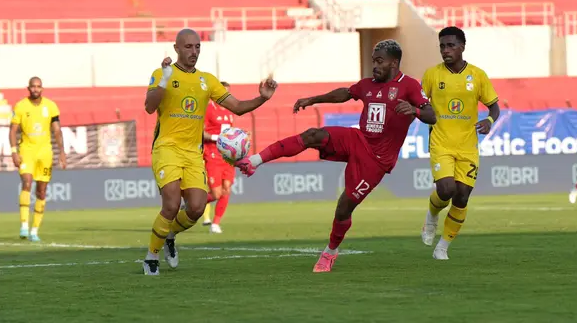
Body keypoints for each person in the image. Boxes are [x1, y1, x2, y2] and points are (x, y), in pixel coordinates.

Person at [235, 40, 436, 272]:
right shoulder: (367, 84)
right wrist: (313, 99)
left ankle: (330, 252)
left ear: (393, 62)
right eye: (373, 61)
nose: (375, 66)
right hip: (358, 140)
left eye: (379, 61)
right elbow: (345, 93)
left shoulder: (408, 85)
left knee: (344, 208)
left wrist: (415, 110)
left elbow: (432, 115)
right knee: (312, 135)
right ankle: (255, 161)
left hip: (378, 160)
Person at [143, 28, 277, 275]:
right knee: (171, 204)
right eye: (188, 47)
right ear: (176, 49)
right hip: (167, 149)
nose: (193, 52)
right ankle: (151, 255)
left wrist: (263, 99)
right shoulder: (162, 74)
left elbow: (236, 107)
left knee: (195, 208)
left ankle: (170, 234)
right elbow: (150, 107)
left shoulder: (207, 80)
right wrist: (163, 79)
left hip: (193, 154)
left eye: (197, 47)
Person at [420, 26, 500, 260]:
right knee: (446, 190)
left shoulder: (477, 75)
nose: (446, 50)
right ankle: (432, 216)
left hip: (468, 147)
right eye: (442, 46)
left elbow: (494, 106)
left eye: (451, 45)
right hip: (441, 143)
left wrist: (489, 120)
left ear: (462, 47)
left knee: (462, 197)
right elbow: (421, 103)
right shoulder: (432, 75)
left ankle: (443, 246)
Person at [9, 76, 67, 242]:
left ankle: (35, 230)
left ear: (42, 88)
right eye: (33, 86)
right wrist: (14, 151)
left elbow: (57, 131)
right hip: (26, 150)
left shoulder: (50, 106)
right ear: (28, 88)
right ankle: (24, 226)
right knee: (26, 182)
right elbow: (13, 130)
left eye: (38, 86)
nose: (35, 89)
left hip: (45, 152)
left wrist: (62, 151)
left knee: (41, 190)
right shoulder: (20, 106)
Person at [201, 81, 236, 233]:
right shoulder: (208, 109)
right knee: (216, 193)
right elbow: (200, 132)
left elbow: (231, 133)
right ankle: (193, 204)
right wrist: (218, 138)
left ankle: (215, 223)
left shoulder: (230, 112)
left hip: (227, 155)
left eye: (227, 93)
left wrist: (241, 137)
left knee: (227, 189)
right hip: (212, 154)